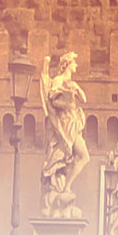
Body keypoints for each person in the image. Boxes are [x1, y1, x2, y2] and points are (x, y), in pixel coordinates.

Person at [41, 50, 91, 216]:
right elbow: (53, 100)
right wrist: (67, 100)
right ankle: (61, 188)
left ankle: (66, 187)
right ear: (67, 64)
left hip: (74, 122)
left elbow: (84, 99)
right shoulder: (58, 80)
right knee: (63, 156)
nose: (76, 64)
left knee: (84, 157)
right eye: (74, 62)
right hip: (64, 123)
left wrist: (76, 89)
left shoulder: (71, 82)